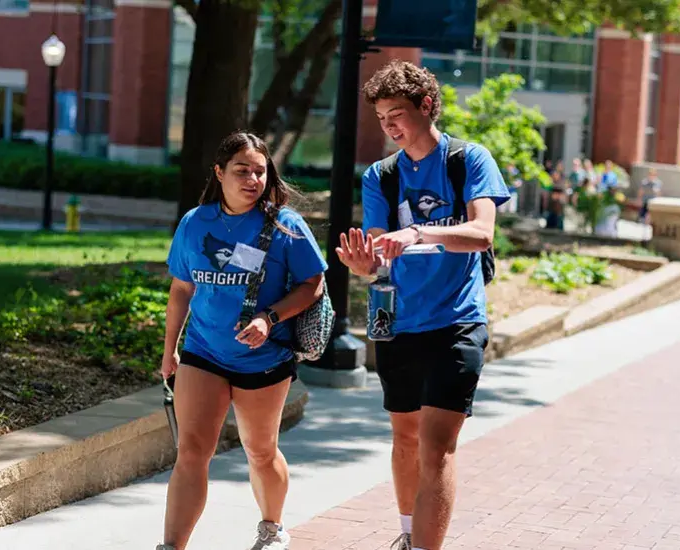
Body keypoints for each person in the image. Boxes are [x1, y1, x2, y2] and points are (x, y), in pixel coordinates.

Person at [335, 60, 509, 550]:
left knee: (437, 447)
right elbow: (378, 253)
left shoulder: (468, 160)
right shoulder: (381, 176)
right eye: (381, 119)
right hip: (400, 322)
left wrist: (416, 231)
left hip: (457, 321)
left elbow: (481, 234)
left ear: (426, 105)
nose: (389, 127)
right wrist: (363, 263)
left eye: (396, 115)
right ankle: (409, 536)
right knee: (406, 440)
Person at [156, 132, 327, 550]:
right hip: (203, 351)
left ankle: (272, 528)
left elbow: (314, 284)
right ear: (219, 172)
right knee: (192, 452)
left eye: (260, 171)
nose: (252, 179)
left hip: (263, 357)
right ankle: (171, 546)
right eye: (242, 170)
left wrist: (270, 318)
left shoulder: (285, 224)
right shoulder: (195, 223)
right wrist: (170, 349)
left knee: (261, 450)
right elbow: (182, 288)